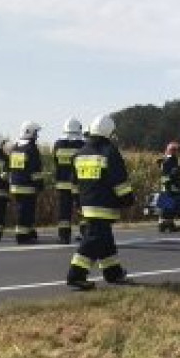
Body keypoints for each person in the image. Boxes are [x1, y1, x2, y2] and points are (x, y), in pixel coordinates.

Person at [66, 114, 134, 290]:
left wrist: (77, 202)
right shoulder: (109, 151)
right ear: (109, 132)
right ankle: (76, 275)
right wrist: (127, 198)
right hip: (104, 205)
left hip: (86, 205)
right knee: (93, 239)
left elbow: (74, 183)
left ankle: (113, 273)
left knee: (105, 239)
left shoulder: (79, 153)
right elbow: (119, 179)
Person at [9, 121, 44, 244]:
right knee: (26, 211)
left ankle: (29, 232)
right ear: (30, 132)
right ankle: (22, 236)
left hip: (16, 185)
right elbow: (35, 169)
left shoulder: (15, 147)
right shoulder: (31, 148)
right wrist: (40, 184)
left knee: (23, 210)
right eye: (35, 133)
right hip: (27, 186)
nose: (37, 135)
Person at [53, 117, 86, 244]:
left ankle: (64, 236)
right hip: (78, 183)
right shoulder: (82, 144)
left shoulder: (58, 144)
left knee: (64, 211)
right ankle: (85, 234)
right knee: (82, 209)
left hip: (62, 183)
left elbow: (56, 162)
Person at [157, 141, 180, 233]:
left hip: (171, 187)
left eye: (176, 150)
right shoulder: (168, 162)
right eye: (174, 150)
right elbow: (166, 176)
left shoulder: (171, 161)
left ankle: (168, 225)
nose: (175, 152)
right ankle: (164, 225)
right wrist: (173, 180)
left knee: (170, 207)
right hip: (169, 187)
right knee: (167, 207)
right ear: (170, 151)